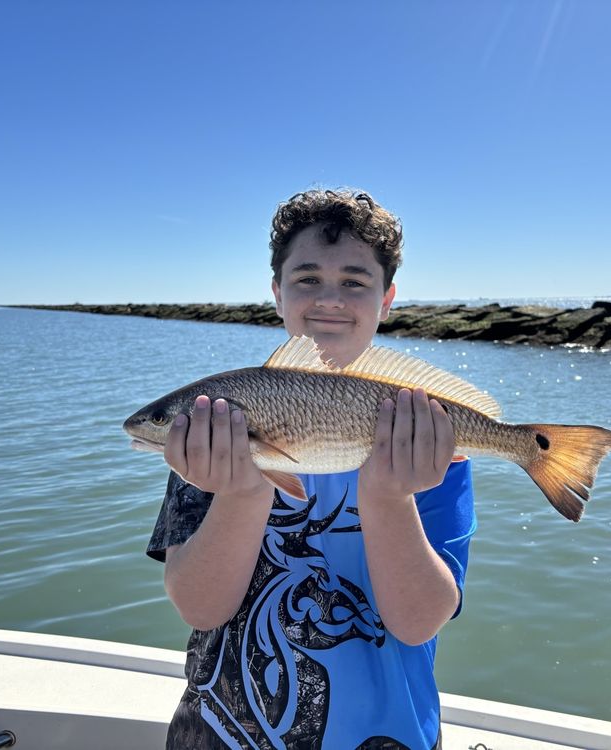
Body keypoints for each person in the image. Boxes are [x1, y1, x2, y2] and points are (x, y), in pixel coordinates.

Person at [146, 189, 476, 749]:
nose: (329, 299)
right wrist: (242, 494)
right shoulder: (212, 436)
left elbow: (419, 623)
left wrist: (391, 498)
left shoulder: (425, 441)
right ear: (276, 292)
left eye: (354, 281)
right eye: (305, 279)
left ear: (387, 298)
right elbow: (199, 607)